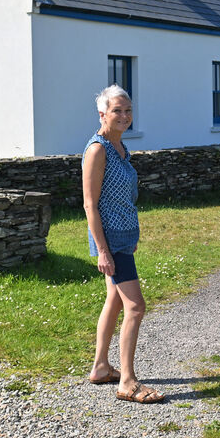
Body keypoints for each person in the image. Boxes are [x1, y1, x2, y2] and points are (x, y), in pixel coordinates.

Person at [83, 85, 164, 404]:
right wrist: (103, 250)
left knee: (115, 301)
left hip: (124, 234)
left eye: (128, 111)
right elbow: (90, 204)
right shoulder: (97, 150)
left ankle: (101, 367)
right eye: (117, 110)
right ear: (102, 113)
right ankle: (127, 382)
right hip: (111, 239)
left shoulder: (119, 147)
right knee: (135, 306)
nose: (125, 116)